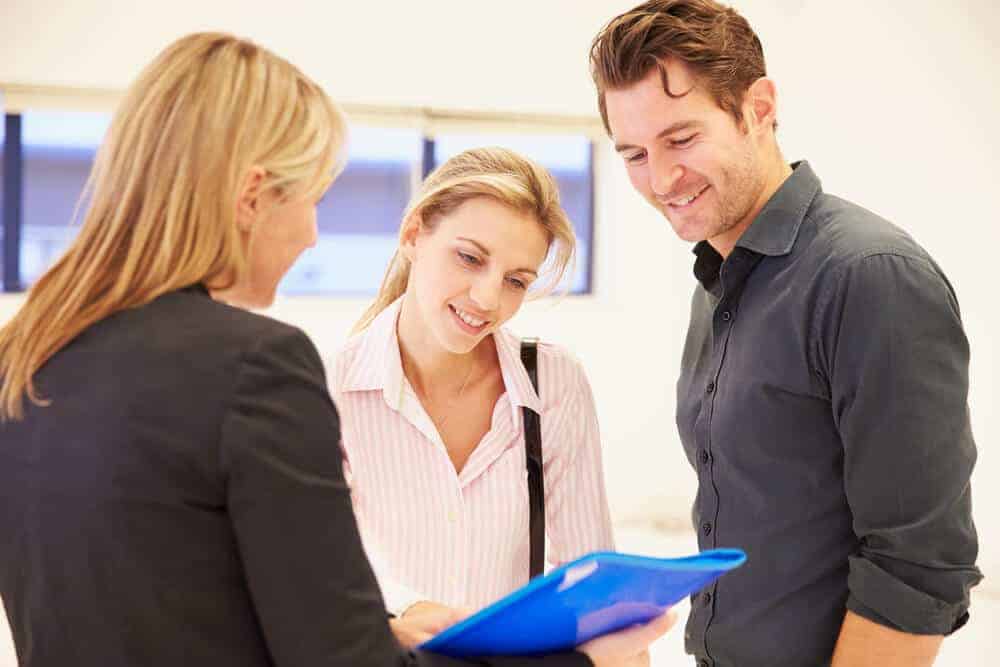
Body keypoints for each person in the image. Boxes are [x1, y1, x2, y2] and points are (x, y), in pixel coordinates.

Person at [0, 32, 674, 667]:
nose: (315, 236)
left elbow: (183, 606)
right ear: (253, 196)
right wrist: (578, 661)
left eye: (519, 279)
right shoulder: (261, 370)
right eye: (315, 198)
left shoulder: (26, 356)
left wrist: (379, 626)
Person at [588, 1, 982, 665]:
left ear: (759, 108)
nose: (659, 179)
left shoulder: (869, 277)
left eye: (681, 139)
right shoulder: (715, 285)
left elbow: (919, 565)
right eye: (633, 153)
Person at [329, 147, 614, 636]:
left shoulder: (554, 384)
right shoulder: (331, 389)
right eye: (469, 258)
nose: (487, 298)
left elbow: (590, 575)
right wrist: (406, 610)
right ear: (413, 234)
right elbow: (321, 565)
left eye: (516, 281)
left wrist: (618, 624)